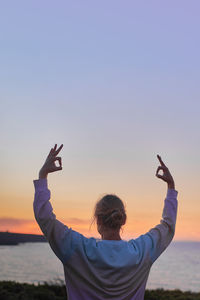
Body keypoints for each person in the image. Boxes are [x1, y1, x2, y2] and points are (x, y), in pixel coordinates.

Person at [33, 144, 178, 300]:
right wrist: (171, 187)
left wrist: (43, 175)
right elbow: (168, 226)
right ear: (124, 220)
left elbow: (45, 218)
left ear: (98, 220)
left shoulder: (77, 248)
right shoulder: (142, 251)